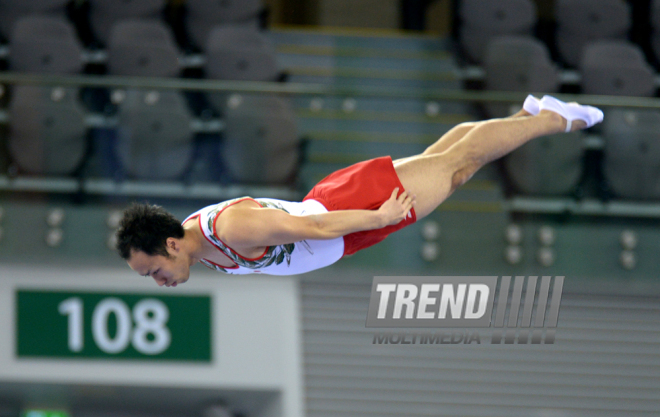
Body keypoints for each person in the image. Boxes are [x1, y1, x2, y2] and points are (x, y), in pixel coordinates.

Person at [116, 95, 604, 287]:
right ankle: (525, 115)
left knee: (455, 165)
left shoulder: (230, 229)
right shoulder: (201, 249)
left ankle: (552, 120)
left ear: (172, 244)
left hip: (347, 210)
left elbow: (315, 226)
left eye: (154, 269)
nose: (157, 279)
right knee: (449, 164)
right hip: (346, 225)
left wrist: (378, 218)